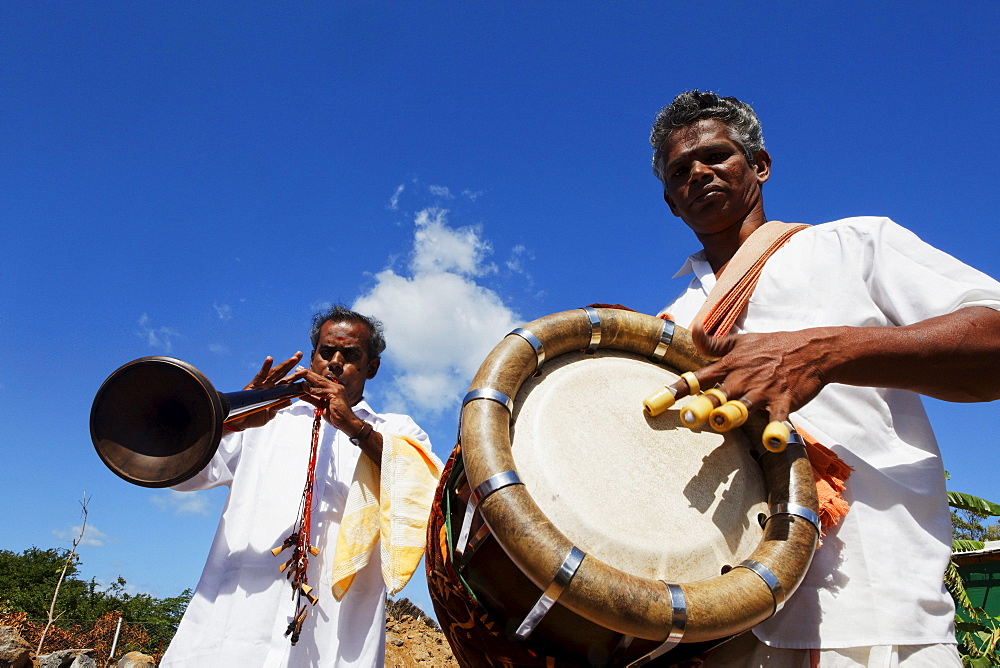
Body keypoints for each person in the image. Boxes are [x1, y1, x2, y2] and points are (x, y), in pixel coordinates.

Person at [649, 90, 1000, 666]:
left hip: (873, 610)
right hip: (725, 629)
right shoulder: (665, 323)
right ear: (670, 202)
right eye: (680, 170)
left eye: (715, 155)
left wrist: (823, 353)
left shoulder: (857, 246)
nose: (698, 173)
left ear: (759, 165)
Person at [160, 305, 436, 667]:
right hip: (236, 618)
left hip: (336, 626)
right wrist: (232, 419)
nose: (335, 362)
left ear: (372, 367)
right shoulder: (266, 419)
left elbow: (425, 490)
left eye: (351, 355)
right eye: (326, 352)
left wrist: (354, 426)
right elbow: (184, 476)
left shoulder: (398, 431)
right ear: (313, 356)